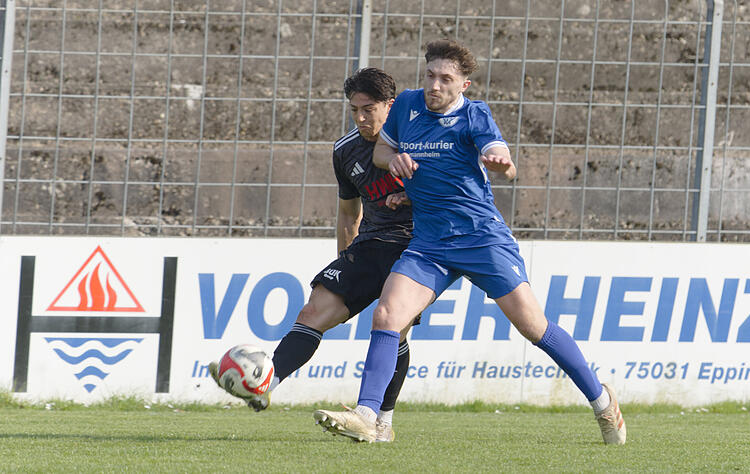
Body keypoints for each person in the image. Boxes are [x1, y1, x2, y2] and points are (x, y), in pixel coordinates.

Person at [312, 39, 626, 445]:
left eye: (446, 79)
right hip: (428, 243)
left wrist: (503, 163)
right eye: (430, 76)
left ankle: (603, 404)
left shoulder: (475, 114)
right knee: (388, 316)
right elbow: (381, 151)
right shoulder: (406, 105)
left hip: (481, 239)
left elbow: (498, 151)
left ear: (465, 85)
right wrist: (394, 159)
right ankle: (367, 416)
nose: (435, 85)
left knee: (535, 328)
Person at [210, 67, 416, 443]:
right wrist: (345, 266)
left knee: (392, 327)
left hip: (416, 248)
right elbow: (348, 213)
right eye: (354, 109)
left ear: (392, 104)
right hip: (369, 245)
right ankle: (264, 382)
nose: (360, 117)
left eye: (368, 109)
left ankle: (381, 422)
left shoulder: (419, 142)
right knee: (312, 311)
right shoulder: (345, 150)